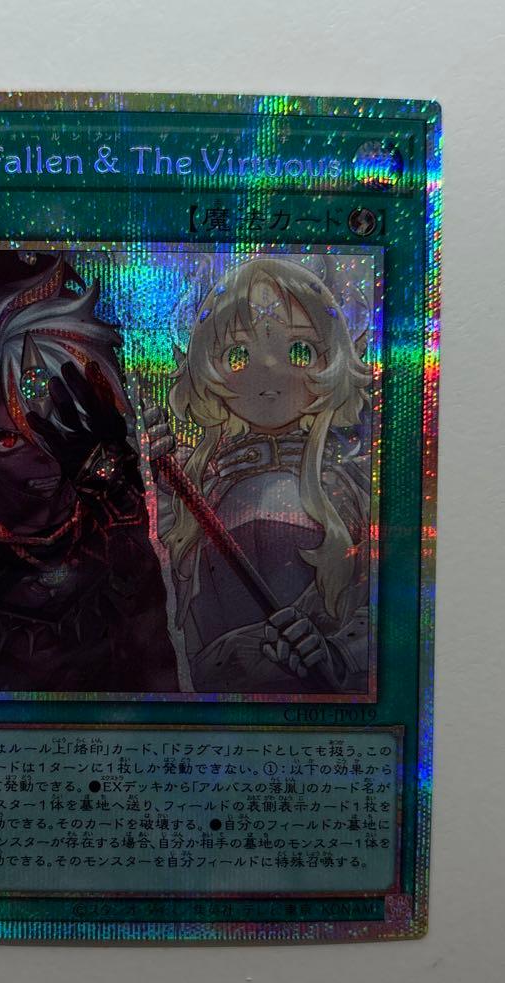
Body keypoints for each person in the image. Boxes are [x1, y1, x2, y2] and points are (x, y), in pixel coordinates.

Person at [0, 255, 178, 693]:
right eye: (9, 440)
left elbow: (155, 656)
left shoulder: (113, 510)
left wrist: (115, 482)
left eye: (61, 429)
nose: (44, 458)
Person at [150, 256, 372, 693]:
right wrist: (149, 470)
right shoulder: (198, 487)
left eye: (299, 350)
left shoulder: (348, 489)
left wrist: (338, 653)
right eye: (238, 355)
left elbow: (384, 594)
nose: (268, 371)